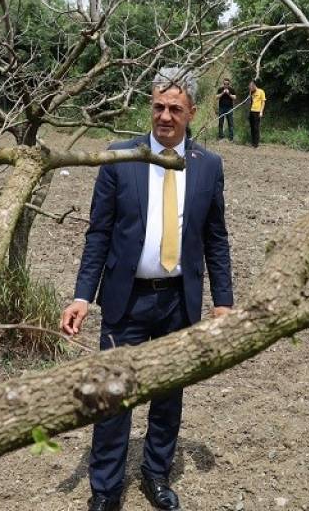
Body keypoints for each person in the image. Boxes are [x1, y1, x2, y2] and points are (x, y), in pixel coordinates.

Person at [60, 68, 233, 511]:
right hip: (127, 300)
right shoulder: (122, 158)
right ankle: (105, 489)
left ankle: (156, 474)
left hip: (179, 301)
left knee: (168, 395)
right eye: (158, 106)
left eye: (175, 108)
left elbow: (216, 238)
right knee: (112, 396)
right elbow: (98, 234)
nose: (165, 116)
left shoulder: (208, 166)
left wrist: (224, 302)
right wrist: (82, 295)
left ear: (192, 112)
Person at [247, 80, 265, 147]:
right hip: (251, 111)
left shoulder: (261, 91)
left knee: (256, 128)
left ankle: (256, 144)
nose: (250, 87)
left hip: (257, 112)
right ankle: (252, 142)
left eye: (251, 86)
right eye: (249, 86)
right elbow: (249, 101)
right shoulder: (251, 92)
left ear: (254, 85)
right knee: (252, 127)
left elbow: (263, 102)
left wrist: (261, 112)